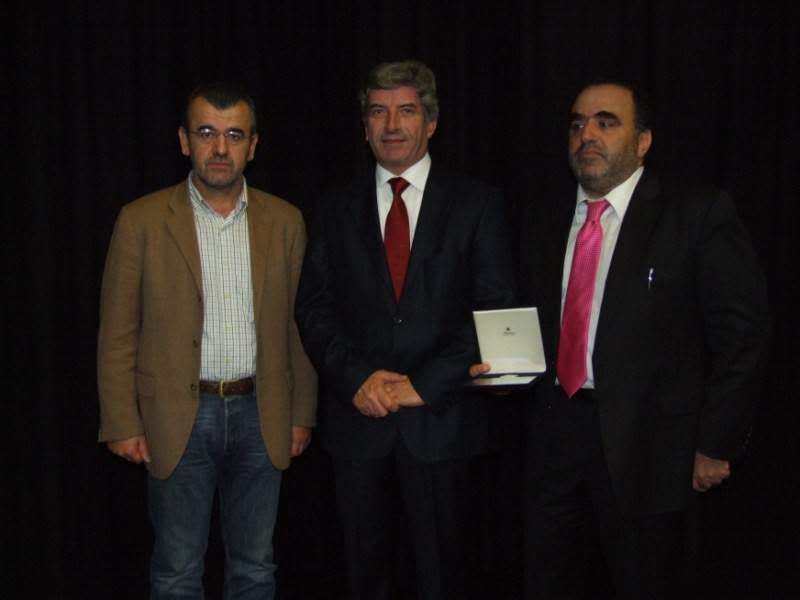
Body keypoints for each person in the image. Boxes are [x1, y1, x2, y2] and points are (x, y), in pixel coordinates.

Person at [472, 80, 769, 599]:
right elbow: (529, 321)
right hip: (552, 439)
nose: (587, 135)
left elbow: (743, 334)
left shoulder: (694, 213)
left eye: (606, 123)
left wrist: (715, 443)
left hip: (651, 450)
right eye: (577, 124)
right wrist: (504, 370)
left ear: (643, 141)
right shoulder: (543, 217)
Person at [295, 60, 516, 600]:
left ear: (431, 123)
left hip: (443, 424)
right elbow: (314, 309)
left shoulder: (478, 204)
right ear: (364, 126)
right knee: (363, 580)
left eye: (407, 110)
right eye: (378, 111)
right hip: (358, 425)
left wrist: (424, 384)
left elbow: (494, 309)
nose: (391, 124)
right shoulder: (333, 207)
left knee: (446, 580)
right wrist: (358, 378)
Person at [97, 82, 317, 599]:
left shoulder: (286, 222)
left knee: (256, 568)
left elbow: (300, 325)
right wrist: (122, 421)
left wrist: (302, 413)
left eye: (234, 135)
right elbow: (117, 331)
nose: (220, 148)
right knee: (176, 570)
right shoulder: (141, 220)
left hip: (263, 414)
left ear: (253, 146)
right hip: (176, 416)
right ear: (184, 141)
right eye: (206, 133)